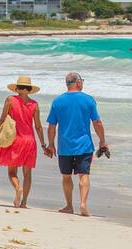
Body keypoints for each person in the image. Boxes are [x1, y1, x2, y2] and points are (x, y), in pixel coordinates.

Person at [45, 72, 107, 217]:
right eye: (82, 81)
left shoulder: (57, 101)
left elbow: (52, 126)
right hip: (84, 145)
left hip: (64, 146)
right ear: (78, 83)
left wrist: (51, 144)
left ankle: (68, 206)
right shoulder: (88, 100)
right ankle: (83, 204)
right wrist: (102, 140)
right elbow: (97, 123)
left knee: (66, 176)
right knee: (83, 175)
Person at [0, 76, 48, 208]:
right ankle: (24, 202)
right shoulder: (34, 104)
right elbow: (38, 126)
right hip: (30, 141)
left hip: (15, 140)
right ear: (29, 89)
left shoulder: (10, 100)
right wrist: (43, 144)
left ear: (16, 88)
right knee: (27, 173)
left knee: (12, 172)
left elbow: (2, 121)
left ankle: (18, 188)